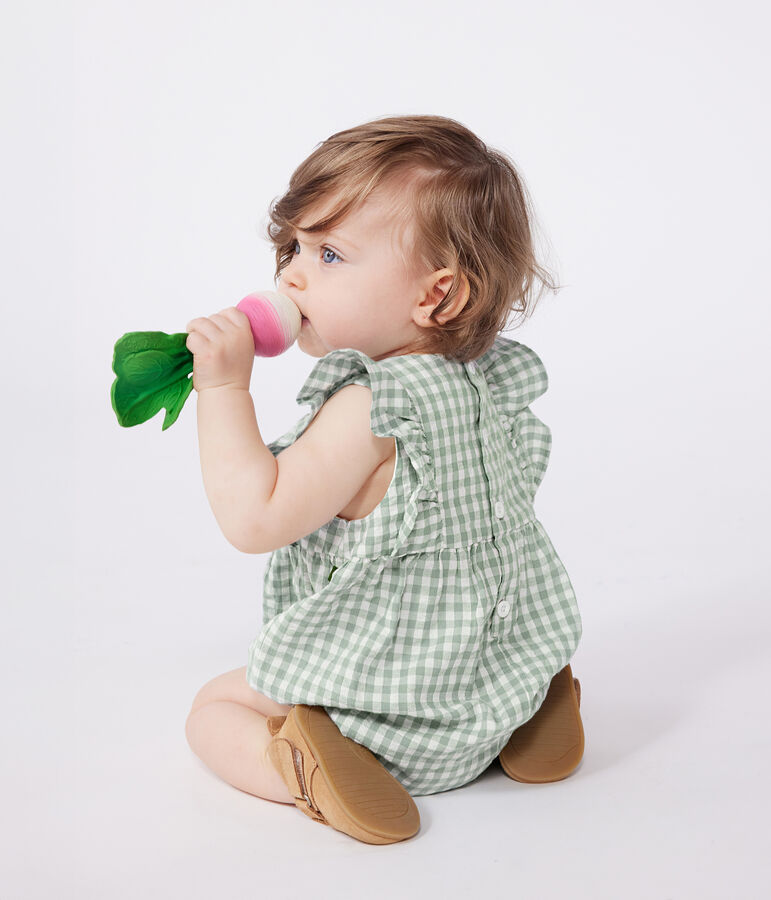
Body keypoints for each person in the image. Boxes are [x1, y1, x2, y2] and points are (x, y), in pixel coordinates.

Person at [183, 114, 584, 843]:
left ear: (435, 296)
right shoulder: (490, 381)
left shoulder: (371, 409)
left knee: (213, 710)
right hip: (486, 681)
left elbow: (254, 518)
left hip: (393, 724)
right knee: (485, 621)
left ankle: (303, 770)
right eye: (293, 247)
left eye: (330, 254)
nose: (292, 275)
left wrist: (222, 392)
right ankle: (535, 690)